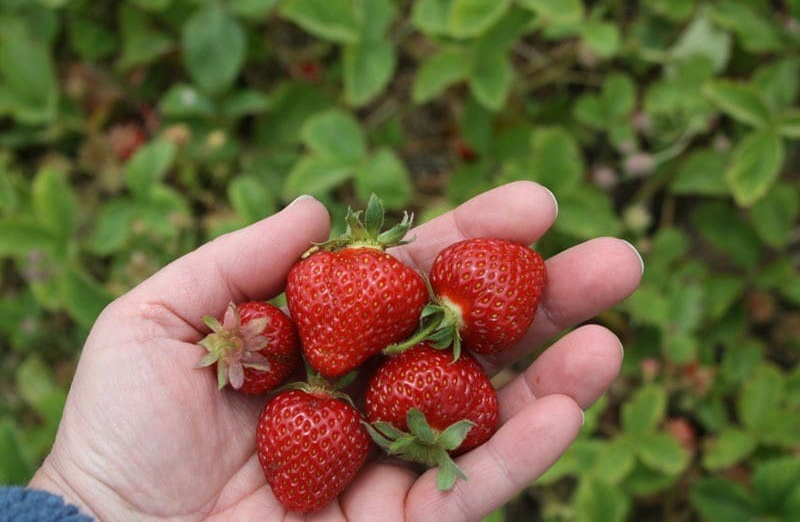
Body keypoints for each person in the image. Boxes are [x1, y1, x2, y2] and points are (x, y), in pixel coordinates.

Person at [15, 181, 642, 521]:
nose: (334, 365)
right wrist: (96, 496)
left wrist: (93, 501)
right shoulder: (347, 307)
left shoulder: (328, 288)